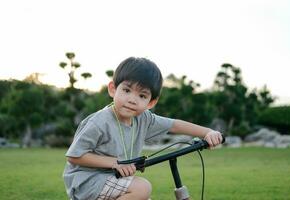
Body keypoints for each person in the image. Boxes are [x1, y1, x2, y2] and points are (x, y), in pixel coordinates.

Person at [63, 57, 223, 200]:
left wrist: (207, 132)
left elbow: (175, 125)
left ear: (151, 103)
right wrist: (115, 163)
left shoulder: (143, 118)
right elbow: (74, 156)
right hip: (87, 181)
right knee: (142, 188)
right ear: (113, 89)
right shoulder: (99, 121)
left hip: (115, 180)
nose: (132, 99)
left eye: (142, 96)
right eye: (126, 90)